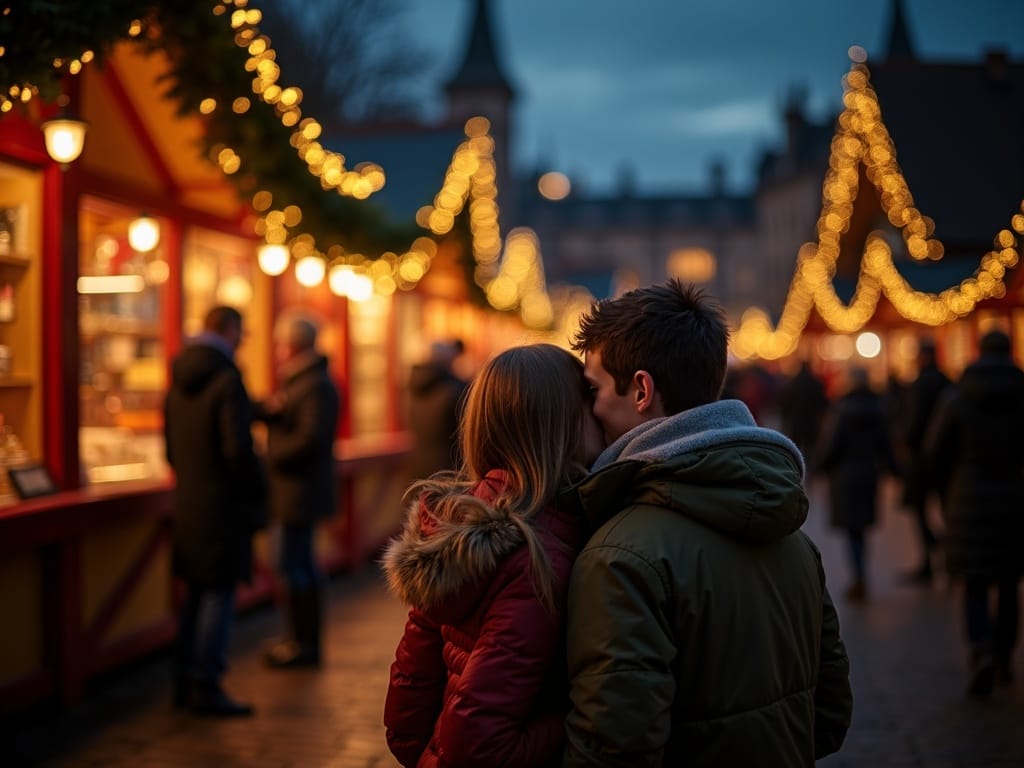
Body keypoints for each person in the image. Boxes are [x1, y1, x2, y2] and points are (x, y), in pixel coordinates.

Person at [563, 279, 852, 767]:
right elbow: (830, 714)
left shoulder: (621, 555)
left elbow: (614, 747)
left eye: (592, 389)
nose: (589, 410)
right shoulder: (793, 533)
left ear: (641, 390)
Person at [382, 344, 604, 768]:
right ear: (564, 422)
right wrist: (578, 721)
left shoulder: (453, 529)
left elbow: (402, 719)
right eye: (588, 400)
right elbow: (479, 745)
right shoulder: (539, 552)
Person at [164, 305, 266, 716]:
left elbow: (170, 451)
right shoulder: (227, 380)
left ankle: (184, 681)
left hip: (189, 502)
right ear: (230, 330)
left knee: (195, 593)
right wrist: (256, 489)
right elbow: (237, 449)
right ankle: (207, 684)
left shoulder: (176, 382)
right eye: (242, 332)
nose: (243, 340)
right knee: (218, 595)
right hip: (223, 507)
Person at [925, 329, 1024, 698]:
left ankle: (981, 646)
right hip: (1014, 496)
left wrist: (945, 490)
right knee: (1009, 581)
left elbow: (935, 450)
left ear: (978, 351)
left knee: (976, 580)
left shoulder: (956, 397)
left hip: (967, 496)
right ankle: (1004, 656)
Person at [254, 311, 340, 668]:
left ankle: (303, 644)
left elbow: (310, 439)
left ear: (291, 345)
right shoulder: (307, 381)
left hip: (300, 492)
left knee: (297, 567)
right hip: (298, 491)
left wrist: (269, 455)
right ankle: (298, 639)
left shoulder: (312, 384)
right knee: (296, 565)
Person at [815, 366, 898, 602]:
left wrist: (818, 467)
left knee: (852, 531)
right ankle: (862, 574)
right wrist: (894, 470)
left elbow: (831, 445)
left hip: (845, 476)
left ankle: (858, 577)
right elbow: (886, 445)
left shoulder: (841, 410)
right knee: (861, 530)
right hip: (868, 473)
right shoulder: (879, 409)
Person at [899, 338, 950, 583]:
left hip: (922, 458)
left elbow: (914, 421)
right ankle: (949, 557)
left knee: (920, 510)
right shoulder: (946, 383)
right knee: (945, 508)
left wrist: (906, 443)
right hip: (945, 460)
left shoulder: (920, 385)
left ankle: (932, 556)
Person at [405, 339, 469, 482]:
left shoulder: (413, 389)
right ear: (449, 361)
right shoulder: (454, 392)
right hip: (449, 472)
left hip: (419, 467)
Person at [778, 359, 829, 467]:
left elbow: (784, 402)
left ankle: (795, 467)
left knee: (795, 446)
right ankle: (809, 468)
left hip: (796, 421)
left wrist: (786, 416)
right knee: (810, 447)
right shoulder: (816, 383)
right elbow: (823, 403)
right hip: (812, 421)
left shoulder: (793, 382)